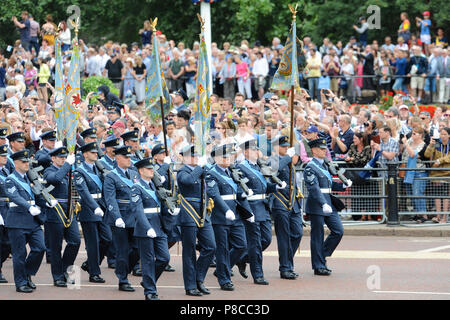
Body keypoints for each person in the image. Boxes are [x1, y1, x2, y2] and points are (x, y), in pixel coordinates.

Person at [237, 139, 286, 285]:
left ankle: (242, 258)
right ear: (246, 152)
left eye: (257, 149)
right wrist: (247, 211)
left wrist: (275, 187)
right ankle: (258, 274)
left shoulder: (258, 167)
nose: (257, 152)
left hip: (263, 207)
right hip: (252, 208)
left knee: (267, 239)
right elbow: (241, 190)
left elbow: (262, 187)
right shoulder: (241, 168)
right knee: (255, 243)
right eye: (253, 150)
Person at [206, 144, 254, 291]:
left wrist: (243, 195)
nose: (228, 159)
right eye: (225, 156)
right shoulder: (211, 173)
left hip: (235, 214)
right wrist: (226, 210)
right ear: (217, 158)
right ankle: (224, 279)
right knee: (222, 249)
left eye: (230, 156)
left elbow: (236, 190)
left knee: (241, 245)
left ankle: (222, 269)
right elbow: (214, 194)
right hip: (220, 215)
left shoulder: (231, 171)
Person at [304, 139, 350, 275]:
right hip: (318, 204)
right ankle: (318, 265)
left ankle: (321, 255)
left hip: (328, 202)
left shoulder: (324, 165)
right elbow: (314, 188)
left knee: (338, 231)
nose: (325, 151)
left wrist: (343, 186)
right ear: (314, 150)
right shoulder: (310, 167)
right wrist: (323, 203)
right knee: (317, 236)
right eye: (321, 149)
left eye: (325, 149)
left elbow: (329, 185)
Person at [177, 145, 216, 296]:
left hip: (203, 214)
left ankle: (199, 278)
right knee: (189, 252)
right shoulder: (183, 171)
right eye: (191, 156)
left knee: (211, 246)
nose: (194, 158)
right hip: (189, 214)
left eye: (196, 156)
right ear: (184, 157)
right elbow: (187, 181)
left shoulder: (200, 170)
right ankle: (190, 285)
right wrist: (199, 168)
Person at [5, 150, 46, 293]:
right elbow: (15, 197)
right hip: (17, 221)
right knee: (19, 254)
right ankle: (21, 283)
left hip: (32, 221)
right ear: (15, 163)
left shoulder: (30, 178)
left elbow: (38, 194)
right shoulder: (10, 179)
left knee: (40, 248)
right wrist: (29, 207)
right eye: (23, 162)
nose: (26, 164)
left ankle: (27, 273)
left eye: (27, 161)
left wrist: (47, 202)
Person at [131, 157, 171, 300]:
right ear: (141, 171)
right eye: (149, 169)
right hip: (145, 228)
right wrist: (147, 227)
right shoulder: (136, 187)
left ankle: (148, 280)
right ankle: (150, 291)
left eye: (152, 168)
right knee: (147, 260)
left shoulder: (155, 186)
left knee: (164, 258)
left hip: (158, 226)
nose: (152, 171)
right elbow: (138, 210)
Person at [103, 145, 140, 292]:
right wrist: (117, 217)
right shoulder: (111, 176)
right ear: (117, 158)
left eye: (130, 157)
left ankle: (123, 269)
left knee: (137, 249)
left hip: (134, 217)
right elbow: (110, 199)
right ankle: (123, 279)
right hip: (120, 218)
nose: (129, 159)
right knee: (123, 250)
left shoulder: (134, 173)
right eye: (126, 157)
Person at [74, 142, 111, 283]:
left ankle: (90, 264)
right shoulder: (80, 171)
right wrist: (94, 206)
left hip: (102, 207)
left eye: (97, 152)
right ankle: (94, 272)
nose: (96, 154)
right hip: (89, 209)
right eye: (93, 152)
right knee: (93, 243)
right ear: (85, 154)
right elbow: (84, 192)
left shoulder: (99, 168)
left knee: (108, 239)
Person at [43, 147, 80, 287]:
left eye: (65, 157)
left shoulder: (68, 170)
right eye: (60, 157)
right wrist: (67, 165)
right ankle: (57, 276)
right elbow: (56, 179)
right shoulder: (49, 171)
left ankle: (65, 270)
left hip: (69, 211)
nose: (63, 159)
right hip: (55, 212)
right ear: (53, 159)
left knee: (75, 241)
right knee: (56, 246)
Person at [268, 135, 302, 280]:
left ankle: (288, 261)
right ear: (275, 147)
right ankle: (285, 267)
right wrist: (287, 158)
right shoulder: (272, 159)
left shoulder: (288, 160)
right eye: (283, 146)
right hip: (280, 202)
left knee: (297, 233)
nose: (286, 148)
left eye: (287, 146)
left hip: (292, 202)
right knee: (284, 236)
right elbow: (273, 171)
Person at [401, 127, 428, 223]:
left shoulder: (423, 145)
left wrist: (406, 143)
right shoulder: (410, 142)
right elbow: (404, 154)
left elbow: (413, 154)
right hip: (409, 171)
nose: (412, 135)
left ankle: (423, 214)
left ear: (420, 135)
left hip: (419, 171)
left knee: (418, 193)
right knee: (411, 194)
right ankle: (417, 213)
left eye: (414, 133)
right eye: (412, 133)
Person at [424, 127, 450, 224]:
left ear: (449, 135)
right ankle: (438, 216)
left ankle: (444, 217)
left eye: (444, 134)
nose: (442, 136)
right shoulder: (437, 143)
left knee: (446, 196)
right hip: (436, 174)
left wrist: (440, 161)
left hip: (447, 173)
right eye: (441, 134)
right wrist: (430, 145)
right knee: (437, 196)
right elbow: (427, 155)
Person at [0, 145, 11, 283]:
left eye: (5, 155)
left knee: (8, 243)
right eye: (2, 156)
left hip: (8, 211)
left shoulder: (6, 171)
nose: (5, 158)